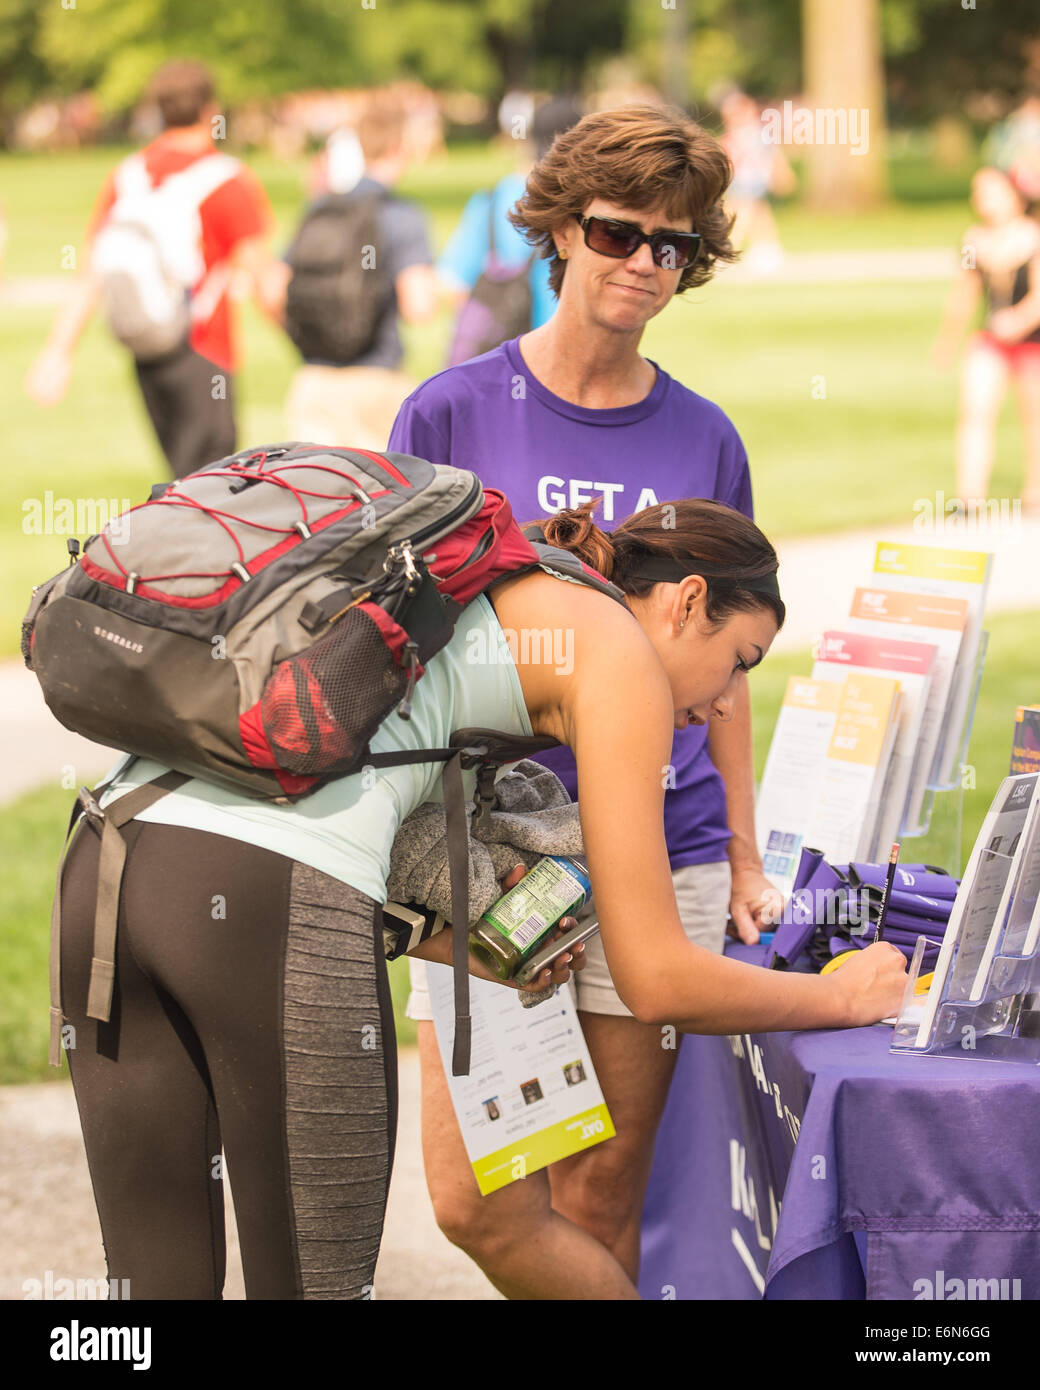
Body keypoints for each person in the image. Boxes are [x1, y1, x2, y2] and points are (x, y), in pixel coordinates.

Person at [53, 490, 907, 1299]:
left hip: (109, 860)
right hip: (268, 898)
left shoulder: (504, 579)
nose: (725, 705)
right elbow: (655, 979)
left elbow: (354, 805)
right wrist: (836, 996)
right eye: (736, 665)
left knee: (149, 1289)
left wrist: (483, 941)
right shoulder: (618, 653)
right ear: (686, 602)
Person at [386, 103, 789, 1296]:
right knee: (478, 1199)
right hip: (490, 851)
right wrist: (454, 888)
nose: (642, 266)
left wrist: (749, 851)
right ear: (559, 228)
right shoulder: (448, 413)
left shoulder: (704, 437)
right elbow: (400, 655)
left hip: (663, 855)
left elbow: (724, 668)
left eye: (672, 246)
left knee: (600, 1189)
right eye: (618, 233)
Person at [25, 60, 286, 479]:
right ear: (210, 110)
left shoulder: (128, 175)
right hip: (203, 348)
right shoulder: (227, 179)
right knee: (213, 490)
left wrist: (59, 350)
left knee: (182, 480)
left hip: (146, 346)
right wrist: (308, 344)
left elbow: (92, 269)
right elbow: (263, 278)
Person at [283, 90, 439, 449]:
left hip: (312, 380)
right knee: (383, 499)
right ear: (398, 147)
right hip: (377, 379)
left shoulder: (320, 209)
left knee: (317, 499)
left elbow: (276, 289)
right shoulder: (402, 215)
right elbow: (420, 308)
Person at [439, 95, 582, 363]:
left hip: (497, 360)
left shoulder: (493, 200)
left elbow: (452, 284)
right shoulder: (587, 211)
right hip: (559, 357)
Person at [932, 165, 1040, 514]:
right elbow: (964, 293)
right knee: (975, 412)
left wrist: (1019, 319)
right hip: (991, 338)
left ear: (1014, 196)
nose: (982, 200)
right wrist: (947, 341)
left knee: (1034, 417)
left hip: (1032, 342)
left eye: (990, 191)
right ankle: (969, 496)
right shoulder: (973, 239)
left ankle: (1035, 490)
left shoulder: (1033, 238)